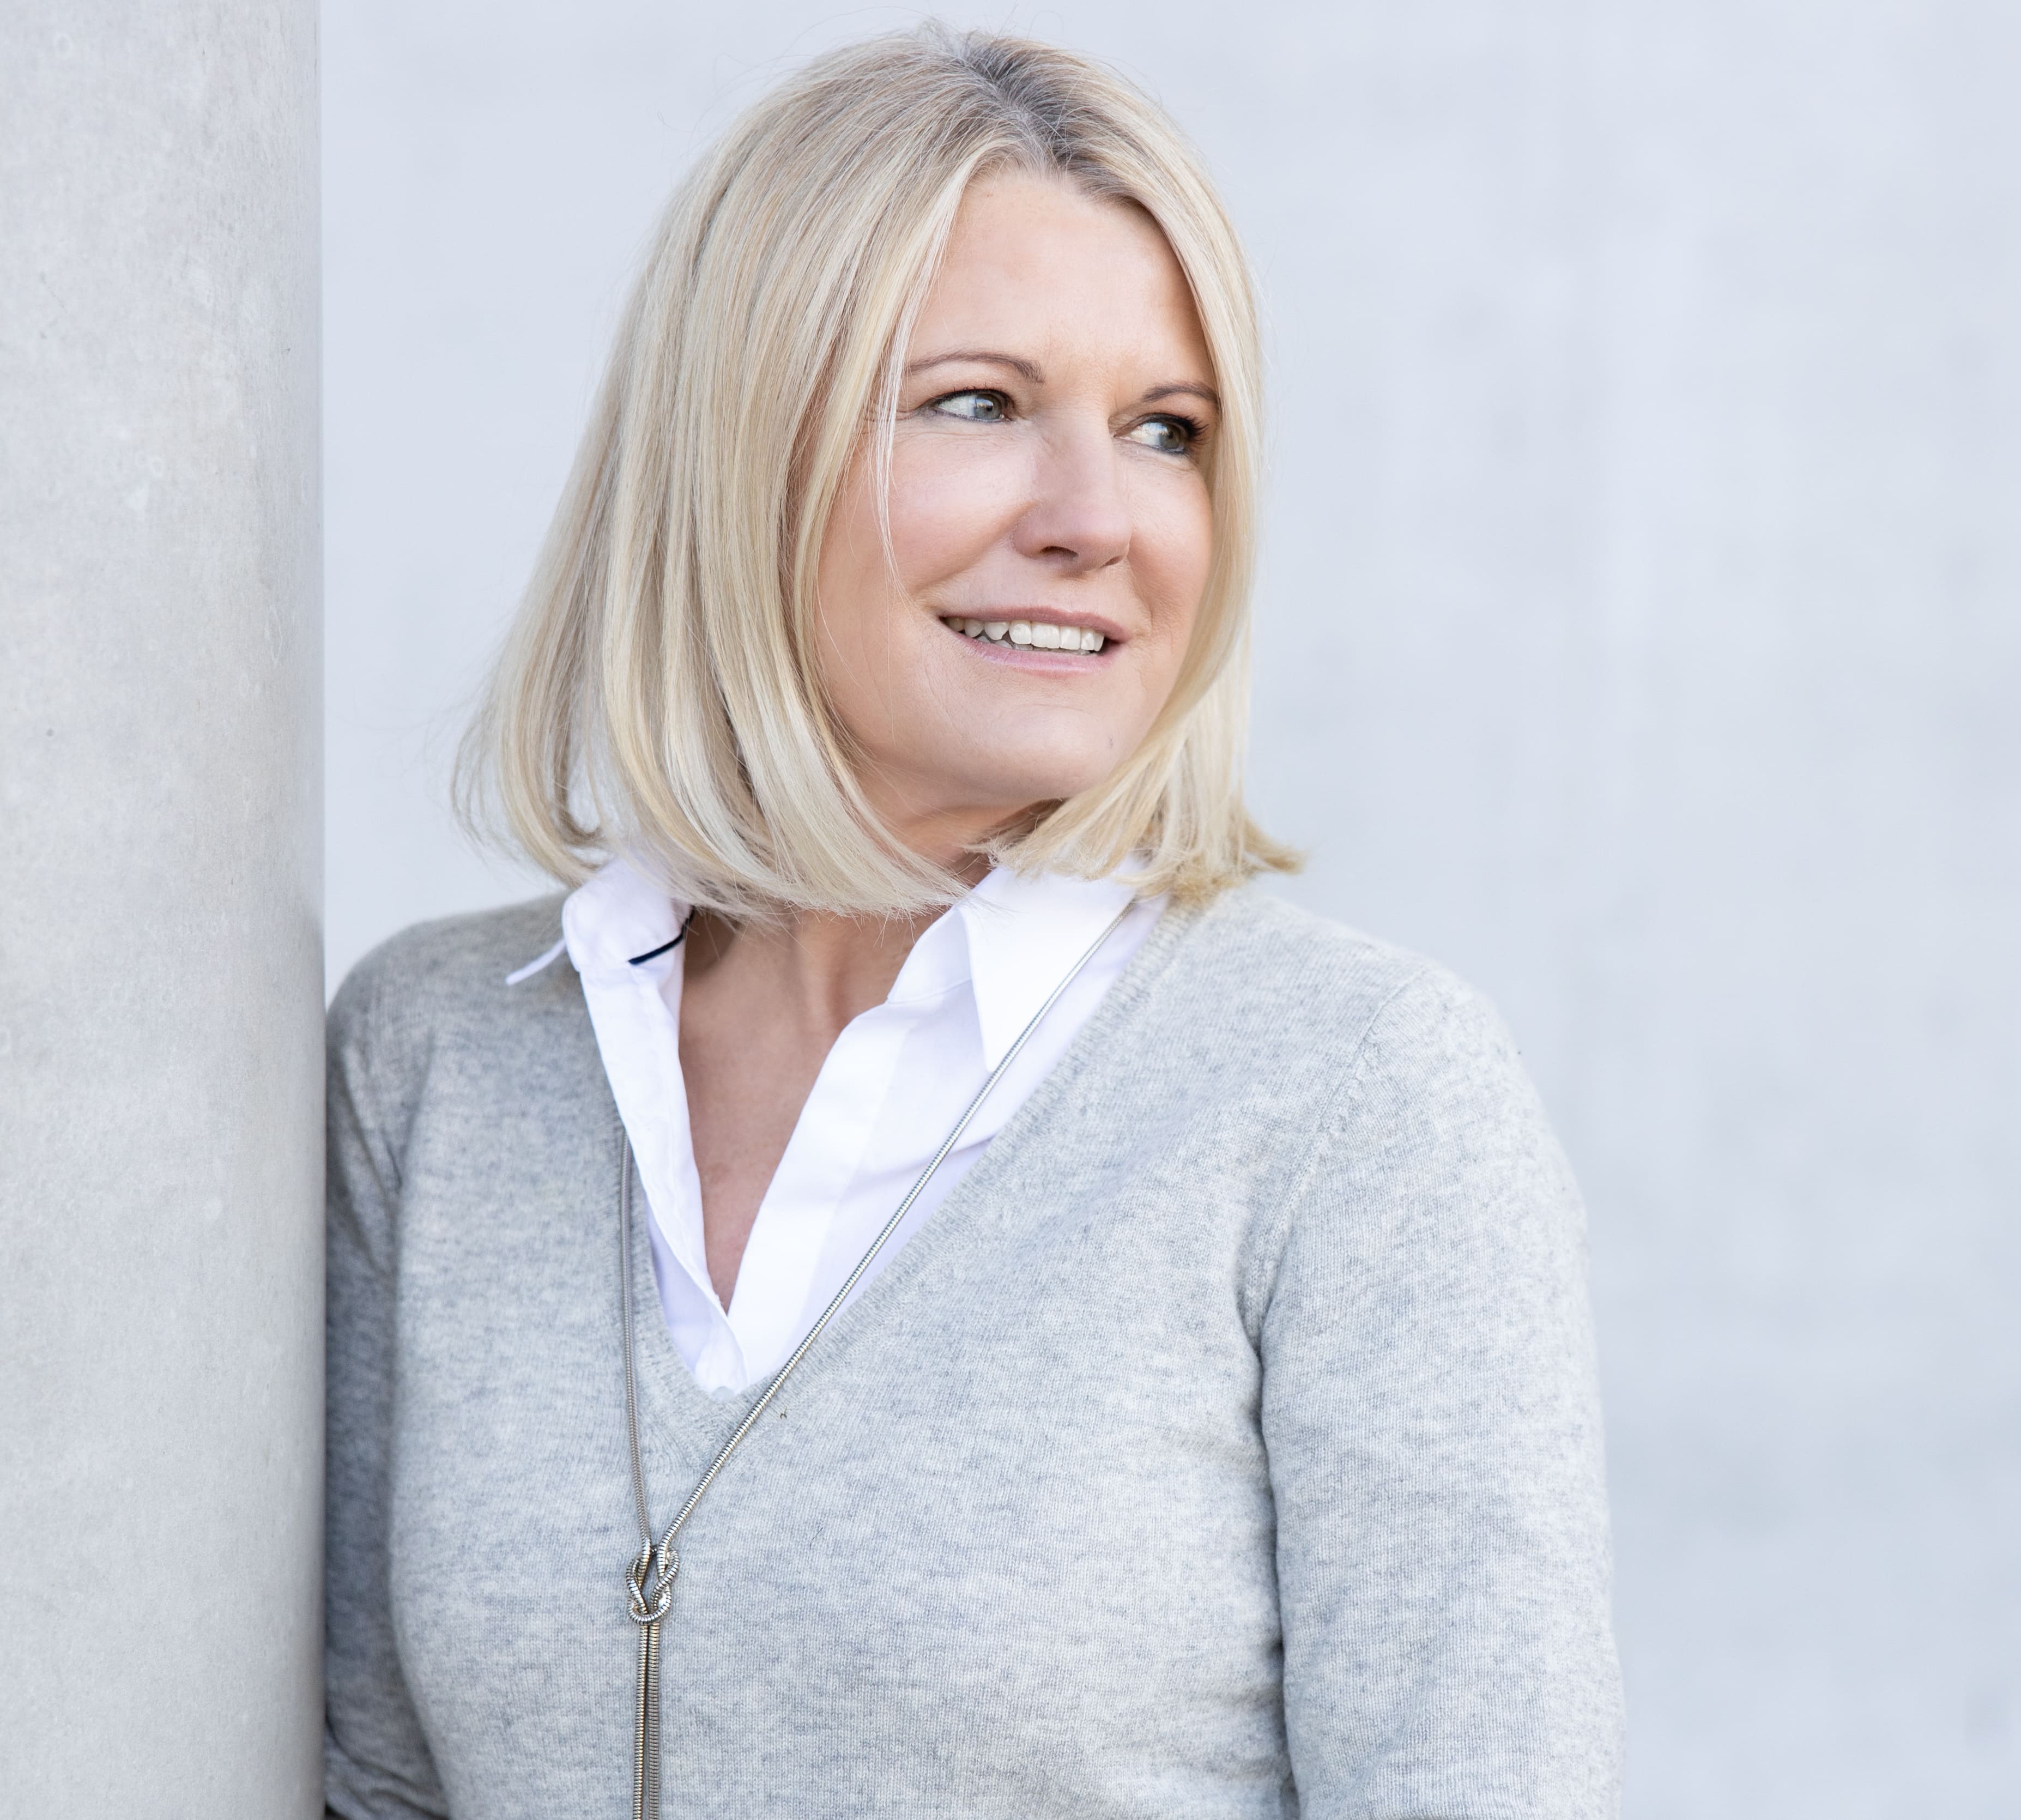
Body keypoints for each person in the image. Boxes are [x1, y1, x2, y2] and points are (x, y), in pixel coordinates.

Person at [322, 27, 1619, 1818]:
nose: (1099, 519)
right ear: (740, 449)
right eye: (980, 404)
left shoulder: (1356, 1098)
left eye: (1167, 433)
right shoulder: (439, 1059)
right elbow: (373, 1780)